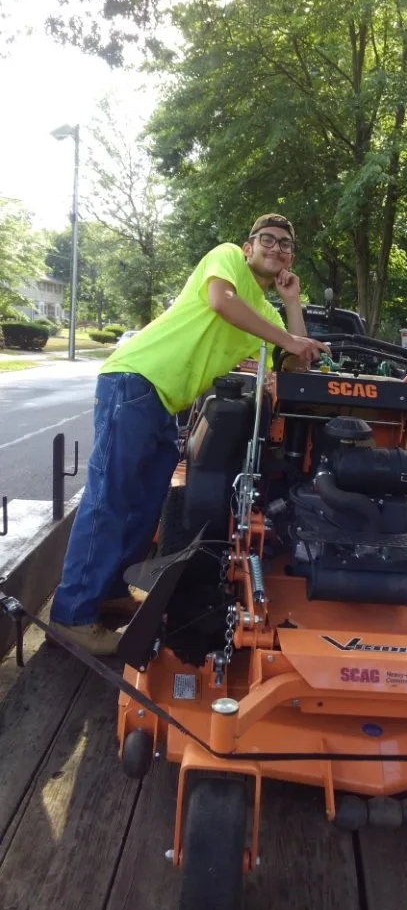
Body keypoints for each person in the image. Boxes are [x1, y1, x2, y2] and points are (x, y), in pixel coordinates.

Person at [48, 213, 329, 654]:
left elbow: (297, 364)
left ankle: (110, 592)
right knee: (110, 500)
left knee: (144, 507)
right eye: (267, 239)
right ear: (248, 246)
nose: (276, 248)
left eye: (285, 244)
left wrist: (292, 303)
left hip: (165, 402)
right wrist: (289, 339)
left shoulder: (263, 312)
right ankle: (72, 616)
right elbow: (220, 301)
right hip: (135, 379)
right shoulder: (226, 260)